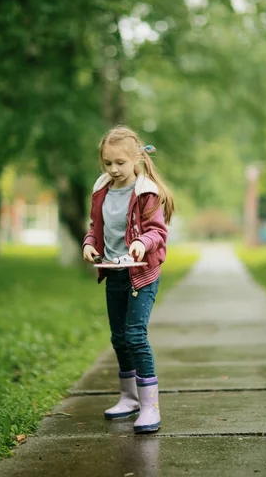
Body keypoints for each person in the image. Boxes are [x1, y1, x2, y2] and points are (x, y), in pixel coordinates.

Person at [82, 125, 175, 433]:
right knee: (118, 338)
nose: (114, 169)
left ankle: (150, 407)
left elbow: (158, 232)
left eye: (120, 163)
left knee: (135, 335)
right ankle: (129, 398)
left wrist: (142, 243)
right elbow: (96, 225)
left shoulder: (146, 192)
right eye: (107, 163)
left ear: (136, 158)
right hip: (114, 272)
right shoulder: (102, 189)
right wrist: (88, 243)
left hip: (142, 273)